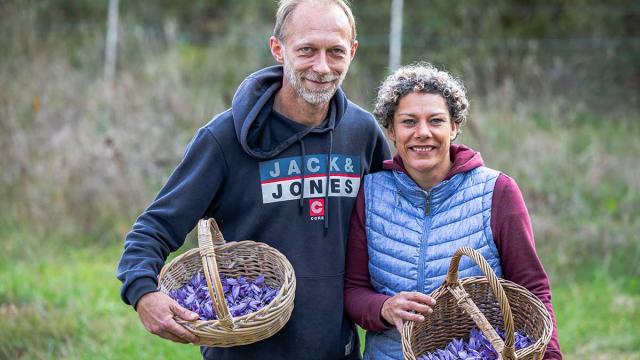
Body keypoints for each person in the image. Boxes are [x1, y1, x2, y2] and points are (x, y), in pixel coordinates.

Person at [116, 1, 391, 359]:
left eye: (335, 52)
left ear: (352, 52)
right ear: (278, 49)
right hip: (244, 350)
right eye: (306, 50)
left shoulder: (362, 132)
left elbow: (394, 223)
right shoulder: (224, 138)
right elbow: (155, 226)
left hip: (334, 348)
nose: (322, 67)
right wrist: (142, 292)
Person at [344, 63, 563, 359]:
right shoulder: (370, 194)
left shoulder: (497, 191)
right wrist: (383, 308)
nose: (423, 133)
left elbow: (532, 289)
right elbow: (353, 290)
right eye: (409, 122)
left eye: (436, 121)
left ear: (455, 126)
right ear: (391, 130)